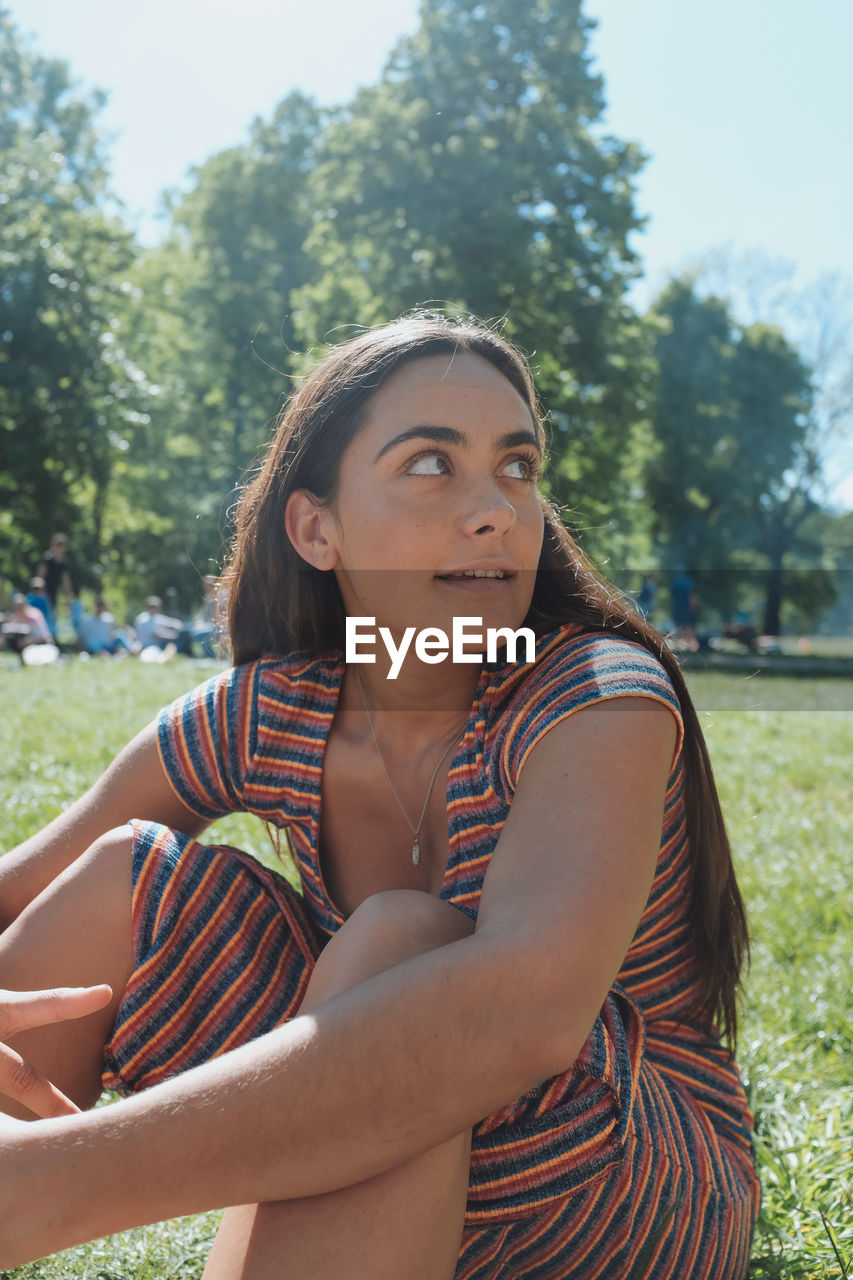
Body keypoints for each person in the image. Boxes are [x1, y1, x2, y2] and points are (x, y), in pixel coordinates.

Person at [0, 314, 759, 1278]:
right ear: (318, 528)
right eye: (431, 465)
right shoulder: (270, 713)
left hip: (629, 1190)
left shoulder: (597, 694)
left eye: (517, 467)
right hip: (392, 1144)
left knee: (402, 937)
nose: (495, 508)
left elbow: (525, 1015)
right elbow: (21, 894)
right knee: (124, 883)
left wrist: (54, 1180)